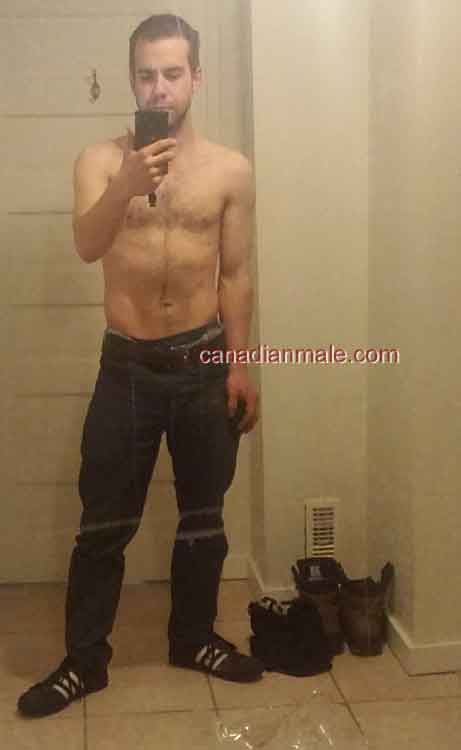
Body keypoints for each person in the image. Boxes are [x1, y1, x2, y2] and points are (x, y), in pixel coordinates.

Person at [17, 13, 262, 719]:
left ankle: (193, 638)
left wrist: (239, 367)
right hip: (127, 367)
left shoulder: (230, 170)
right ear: (131, 79)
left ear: (196, 78)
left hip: (203, 362)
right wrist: (124, 184)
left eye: (172, 73)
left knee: (203, 516)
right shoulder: (99, 162)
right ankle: (84, 660)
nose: (159, 88)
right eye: (146, 75)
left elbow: (236, 274)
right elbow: (87, 246)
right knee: (103, 523)